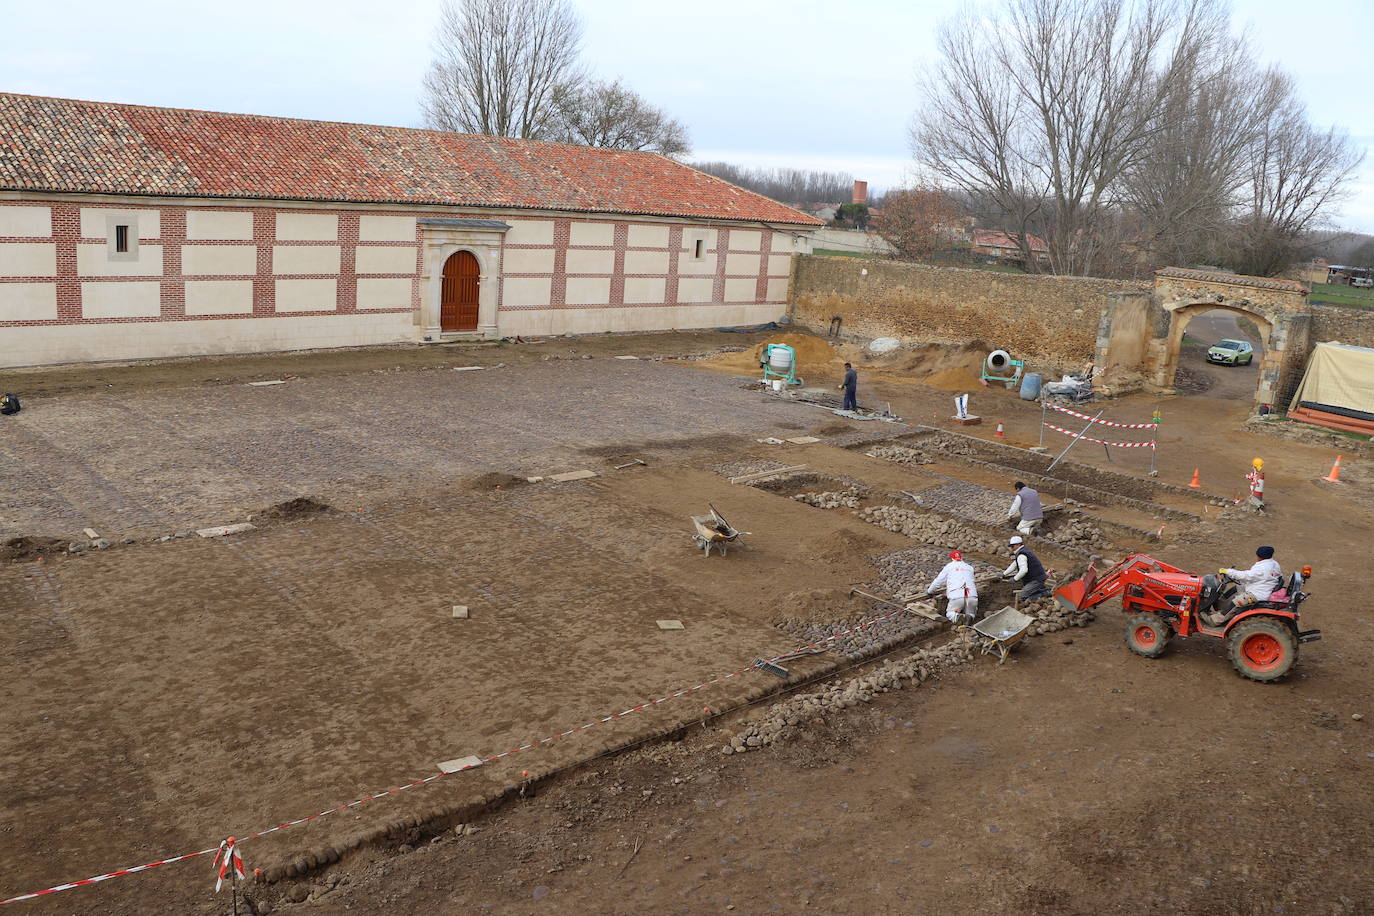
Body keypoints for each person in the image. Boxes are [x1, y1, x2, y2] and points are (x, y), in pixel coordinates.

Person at [1213, 546, 1283, 621]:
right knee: (1237, 588)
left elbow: (1246, 576)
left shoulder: (1263, 568)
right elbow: (1255, 577)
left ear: (1259, 556)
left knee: (1235, 603)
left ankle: (1215, 620)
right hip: (1263, 587)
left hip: (1257, 595)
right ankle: (1221, 605)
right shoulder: (1274, 564)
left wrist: (1228, 571)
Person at [925, 550, 978, 624]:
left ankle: (957, 617)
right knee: (971, 612)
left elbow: (938, 581)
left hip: (956, 595)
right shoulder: (969, 568)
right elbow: (972, 580)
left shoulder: (949, 567)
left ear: (952, 558)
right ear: (961, 558)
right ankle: (969, 617)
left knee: (950, 613)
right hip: (972, 595)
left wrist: (929, 591)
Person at [1002, 536, 1048, 601]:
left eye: (1012, 546)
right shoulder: (1023, 551)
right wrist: (1004, 574)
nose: (1011, 549)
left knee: (1023, 596)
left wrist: (1015, 579)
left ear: (1018, 545)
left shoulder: (1021, 555)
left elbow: (1023, 570)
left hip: (1036, 580)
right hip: (1036, 578)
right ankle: (1040, 591)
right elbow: (1014, 564)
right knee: (1028, 591)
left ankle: (1047, 593)